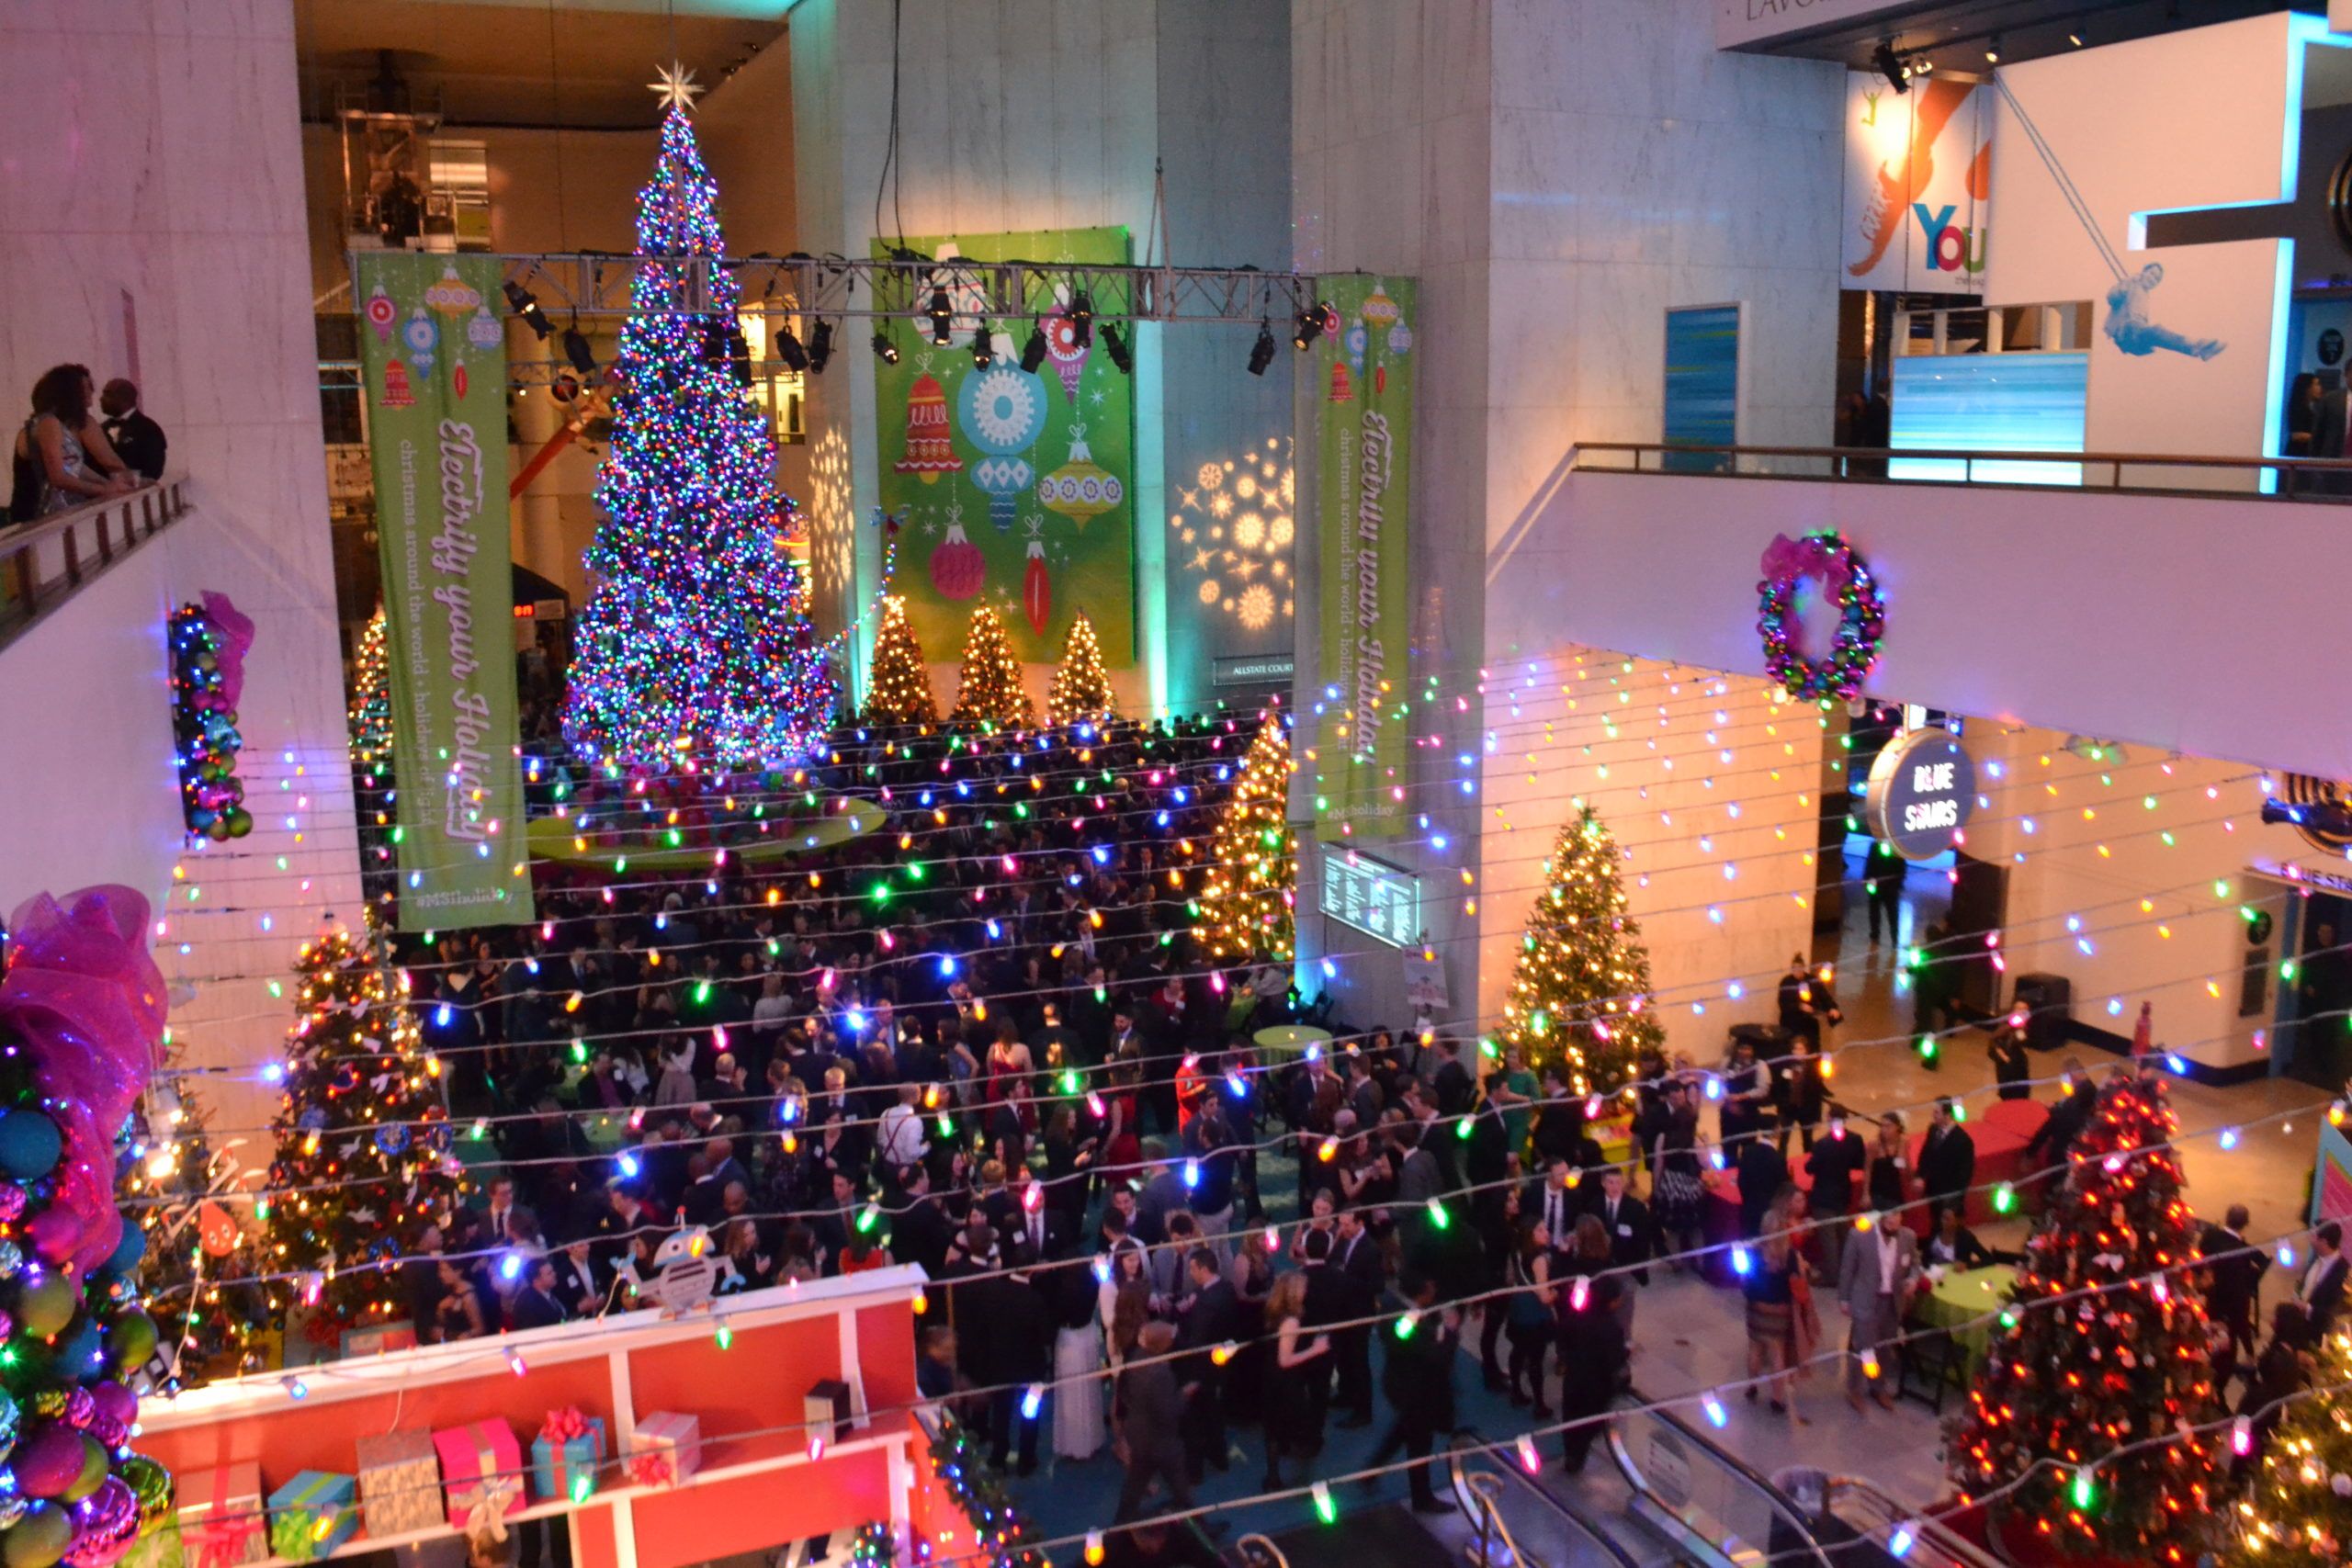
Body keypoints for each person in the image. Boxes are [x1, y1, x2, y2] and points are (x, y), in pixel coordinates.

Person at [1363, 1271, 1457, 1515]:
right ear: (1423, 1291)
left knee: (1403, 1430)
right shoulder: (1409, 1322)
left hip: (1399, 1383)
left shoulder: (1393, 1306)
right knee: (1419, 1444)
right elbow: (1433, 1357)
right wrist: (1449, 1334)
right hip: (1415, 1389)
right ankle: (1422, 1498)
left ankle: (1372, 1469)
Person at [12, 365, 133, 520]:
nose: (90, 393)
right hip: (37, 516)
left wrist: (109, 485)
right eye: (82, 389)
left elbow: (75, 466)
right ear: (68, 393)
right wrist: (104, 490)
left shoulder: (56, 424)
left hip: (57, 513)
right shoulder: (47, 423)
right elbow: (58, 477)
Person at [1114, 1321, 1204, 1526]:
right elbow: (1169, 1412)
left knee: (1134, 1484)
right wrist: (1184, 1394)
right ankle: (1201, 1528)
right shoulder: (1160, 1374)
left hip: (1139, 1433)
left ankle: (1119, 1525)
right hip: (1161, 1441)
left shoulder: (1136, 1358)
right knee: (1180, 1484)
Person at [1837, 1211, 1917, 1414]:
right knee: (1862, 1347)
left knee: (1885, 1346)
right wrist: (1844, 1299)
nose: (1892, 1222)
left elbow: (1915, 1265)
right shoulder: (1859, 1235)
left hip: (1893, 1301)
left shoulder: (1908, 1237)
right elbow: (1847, 1268)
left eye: (1897, 1218)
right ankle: (1854, 1389)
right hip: (1866, 1299)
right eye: (1889, 1218)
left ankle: (1878, 1387)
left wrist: (1912, 1280)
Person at [1176, 1247, 1241, 1483]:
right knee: (1214, 1412)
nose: (1190, 1273)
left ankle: (1195, 1471)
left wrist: (1175, 1335)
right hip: (1221, 1362)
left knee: (1197, 1419)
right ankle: (1219, 1457)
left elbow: (1195, 1342)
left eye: (1193, 1268)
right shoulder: (1226, 1289)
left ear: (1203, 1269)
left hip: (1200, 1368)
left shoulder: (1205, 1304)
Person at [1259, 1271, 1329, 1491]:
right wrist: (1315, 1350)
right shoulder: (1291, 1321)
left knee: (1273, 1427)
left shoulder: (1273, 1311)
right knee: (1301, 1426)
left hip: (1269, 1377)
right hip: (1286, 1382)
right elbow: (1285, 1360)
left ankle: (1273, 1477)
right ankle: (1301, 1479)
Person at [1556, 1278, 1627, 1474]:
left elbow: (1563, 1336)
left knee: (1571, 1417)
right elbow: (1614, 1359)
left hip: (1574, 1377)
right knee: (1589, 1421)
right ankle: (1578, 1455)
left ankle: (1571, 1454)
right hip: (1596, 1384)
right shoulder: (1611, 1328)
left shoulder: (1579, 1316)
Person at [1585, 1167, 1651, 1340]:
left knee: (1626, 1305)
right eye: (1610, 1182)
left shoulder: (1635, 1208)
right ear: (1603, 1183)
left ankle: (1625, 1339)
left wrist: (1637, 1269)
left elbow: (1643, 1240)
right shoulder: (1594, 1205)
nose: (1615, 1187)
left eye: (1618, 1183)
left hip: (1626, 1267)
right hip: (1601, 1267)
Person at [1501, 1218, 1556, 1416]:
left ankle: (1516, 1390)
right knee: (1535, 1359)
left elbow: (1509, 1278)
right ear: (1531, 1235)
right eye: (1540, 1230)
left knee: (1518, 1351)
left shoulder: (1516, 1252)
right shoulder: (1539, 1259)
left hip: (1518, 1307)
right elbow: (1544, 1296)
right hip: (1534, 1313)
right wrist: (1556, 1293)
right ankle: (1540, 1404)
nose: (1546, 1232)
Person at [2199, 1203, 2267, 1362]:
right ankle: (2249, 1355)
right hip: (2234, 1300)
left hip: (2213, 1296)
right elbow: (2258, 1265)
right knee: (2242, 1324)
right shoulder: (2241, 1250)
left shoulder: (2211, 1235)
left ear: (2227, 1219)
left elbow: (2203, 1250)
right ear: (2246, 1224)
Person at [1650, 1078, 1705, 1266]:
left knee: (1672, 1230)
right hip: (1689, 1188)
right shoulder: (1694, 1141)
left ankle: (1677, 1263)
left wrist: (1656, 1188)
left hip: (1670, 1187)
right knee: (1695, 1228)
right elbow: (1705, 1163)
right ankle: (1700, 1261)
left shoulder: (1662, 1138)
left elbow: (1658, 1164)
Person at [1917, 1099, 1974, 1233]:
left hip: (1949, 1195)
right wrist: (1920, 1175)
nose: (1933, 1115)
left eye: (1937, 1112)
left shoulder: (1963, 1141)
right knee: (1935, 1222)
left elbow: (1965, 1174)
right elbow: (1926, 1155)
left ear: (1947, 1116)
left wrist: (1954, 1198)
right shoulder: (1933, 1130)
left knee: (1949, 1228)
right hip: (1934, 1190)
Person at [97, 379, 165, 482]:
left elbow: (153, 470)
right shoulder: (101, 428)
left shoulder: (148, 429)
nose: (101, 399)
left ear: (124, 398)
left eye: (107, 394)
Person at [2298, 1221, 2348, 1337]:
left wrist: (2308, 1309)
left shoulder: (2341, 1272)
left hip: (2315, 1331)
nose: (2310, 1238)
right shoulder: (2318, 1256)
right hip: (2299, 1320)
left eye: (2313, 1235)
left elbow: (2332, 1312)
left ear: (2324, 1242)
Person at [1861, 838, 1905, 946]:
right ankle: (1892, 937)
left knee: (1878, 910)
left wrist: (1867, 879)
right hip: (1888, 886)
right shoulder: (1897, 847)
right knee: (1891, 912)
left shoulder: (1875, 846)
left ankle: (1877, 934)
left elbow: (1869, 864)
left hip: (1880, 885)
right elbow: (1901, 868)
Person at [1985, 1020, 2030, 1100]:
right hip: (2008, 1069)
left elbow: (2024, 1043)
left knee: (2020, 1092)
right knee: (2009, 1093)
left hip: (2019, 1067)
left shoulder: (2020, 1032)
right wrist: (2004, 1057)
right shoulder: (2004, 1030)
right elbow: (1995, 1045)